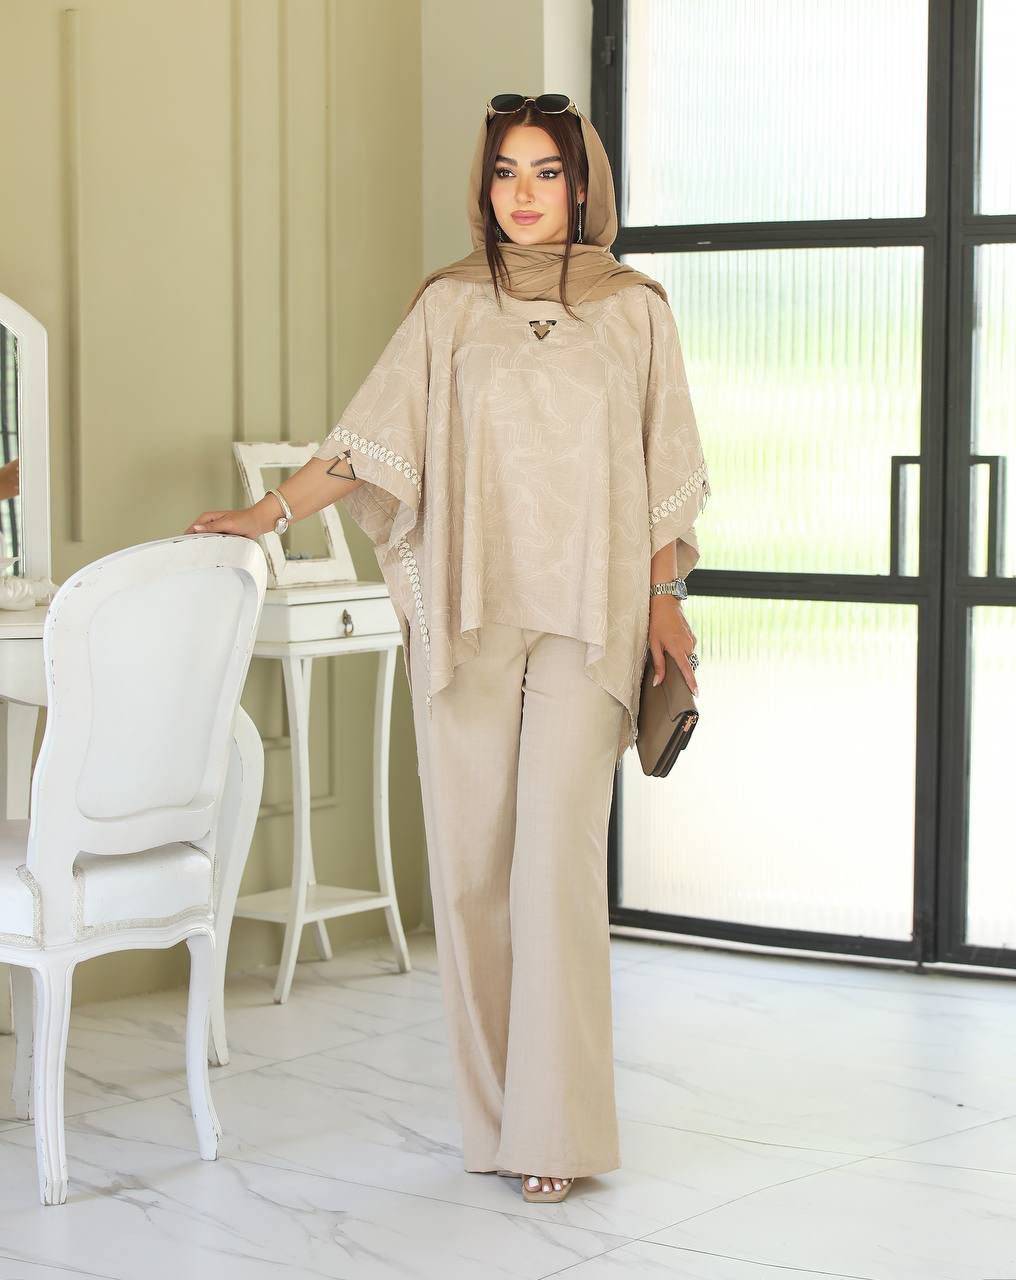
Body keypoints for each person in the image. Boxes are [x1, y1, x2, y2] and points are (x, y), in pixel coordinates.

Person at [184, 93, 711, 1204]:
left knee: (555, 867)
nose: (524, 193)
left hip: (590, 620)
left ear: (582, 185)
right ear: (485, 186)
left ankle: (558, 1131)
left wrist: (665, 598)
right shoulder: (448, 307)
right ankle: (497, 1120)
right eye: (506, 172)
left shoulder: (633, 310)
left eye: (547, 172)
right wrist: (266, 515)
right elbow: (368, 444)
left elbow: (664, 466)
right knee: (471, 870)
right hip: (468, 616)